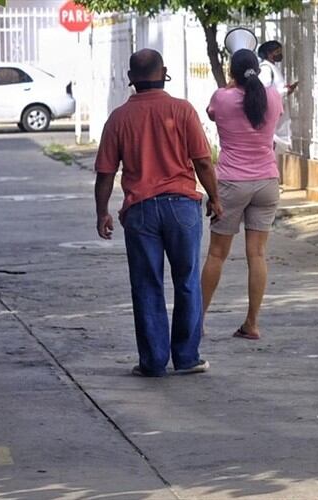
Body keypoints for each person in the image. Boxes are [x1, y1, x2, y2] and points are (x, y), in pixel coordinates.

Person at [94, 49, 223, 377]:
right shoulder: (182, 111)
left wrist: (102, 213)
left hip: (140, 212)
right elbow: (203, 161)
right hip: (182, 207)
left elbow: (106, 173)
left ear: (130, 78)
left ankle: (152, 362)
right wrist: (215, 198)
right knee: (187, 282)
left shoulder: (119, 118)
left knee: (146, 284)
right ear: (164, 72)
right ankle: (187, 357)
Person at [201, 49, 284, 341]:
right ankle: (252, 322)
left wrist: (229, 84)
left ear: (231, 72)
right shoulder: (272, 96)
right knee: (258, 254)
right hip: (267, 181)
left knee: (216, 254)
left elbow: (211, 115)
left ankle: (196, 321)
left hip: (231, 183)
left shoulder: (222, 97)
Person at [257, 40, 297, 151]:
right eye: (277, 51)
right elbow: (266, 93)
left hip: (278, 112)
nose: (279, 54)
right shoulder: (266, 69)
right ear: (269, 54)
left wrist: (286, 90)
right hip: (272, 114)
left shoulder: (272, 68)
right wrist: (285, 91)